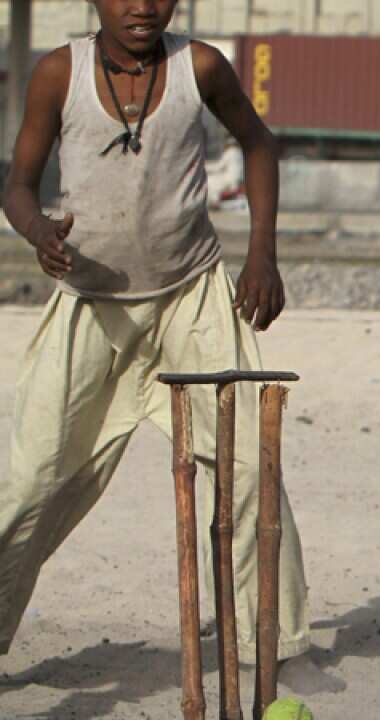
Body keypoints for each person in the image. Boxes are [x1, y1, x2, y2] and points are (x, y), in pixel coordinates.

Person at [0, 0, 313, 674]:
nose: (141, 6)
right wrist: (37, 233)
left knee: (248, 469)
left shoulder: (200, 65)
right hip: (91, 306)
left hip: (192, 301)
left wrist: (262, 253)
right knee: (29, 481)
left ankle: (270, 646)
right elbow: (18, 185)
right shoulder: (60, 73)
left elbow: (258, 142)